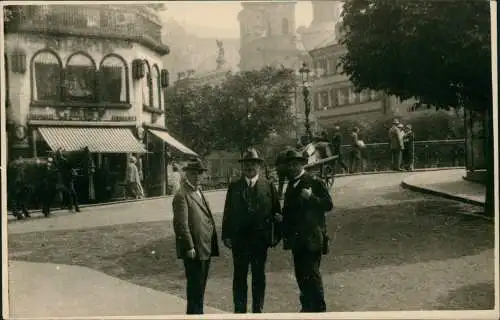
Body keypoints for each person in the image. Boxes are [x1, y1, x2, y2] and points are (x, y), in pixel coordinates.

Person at [221, 148, 282, 314]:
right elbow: (228, 212)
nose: (249, 167)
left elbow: (277, 212)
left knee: (258, 277)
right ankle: (239, 312)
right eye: (246, 164)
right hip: (239, 241)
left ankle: (258, 311)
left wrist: (275, 237)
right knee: (239, 277)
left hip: (260, 241)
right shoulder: (234, 186)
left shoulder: (268, 186)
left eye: (253, 164)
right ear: (242, 167)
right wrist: (226, 235)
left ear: (259, 166)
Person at [281, 149, 333, 313]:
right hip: (297, 241)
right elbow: (290, 212)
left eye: (296, 164)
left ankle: (318, 309)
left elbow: (328, 204)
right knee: (301, 276)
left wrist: (311, 197)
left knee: (312, 275)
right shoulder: (290, 185)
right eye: (290, 165)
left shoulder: (314, 181)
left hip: (312, 239)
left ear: (302, 164)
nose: (293, 167)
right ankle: (306, 307)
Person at [172, 160, 219, 315]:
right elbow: (181, 225)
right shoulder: (181, 195)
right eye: (193, 173)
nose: (197, 177)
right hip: (195, 249)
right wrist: (189, 246)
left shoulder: (198, 191)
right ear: (186, 175)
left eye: (199, 173)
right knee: (195, 290)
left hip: (204, 247)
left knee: (200, 289)